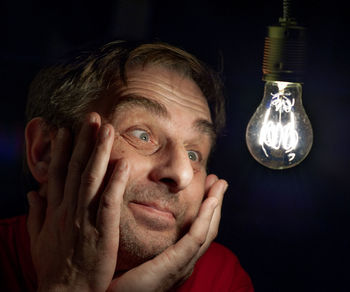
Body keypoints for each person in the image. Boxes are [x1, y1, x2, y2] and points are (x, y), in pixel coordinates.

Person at [0, 40, 254, 291]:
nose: (181, 173)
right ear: (46, 152)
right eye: (142, 135)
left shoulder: (222, 279)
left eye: (193, 154)